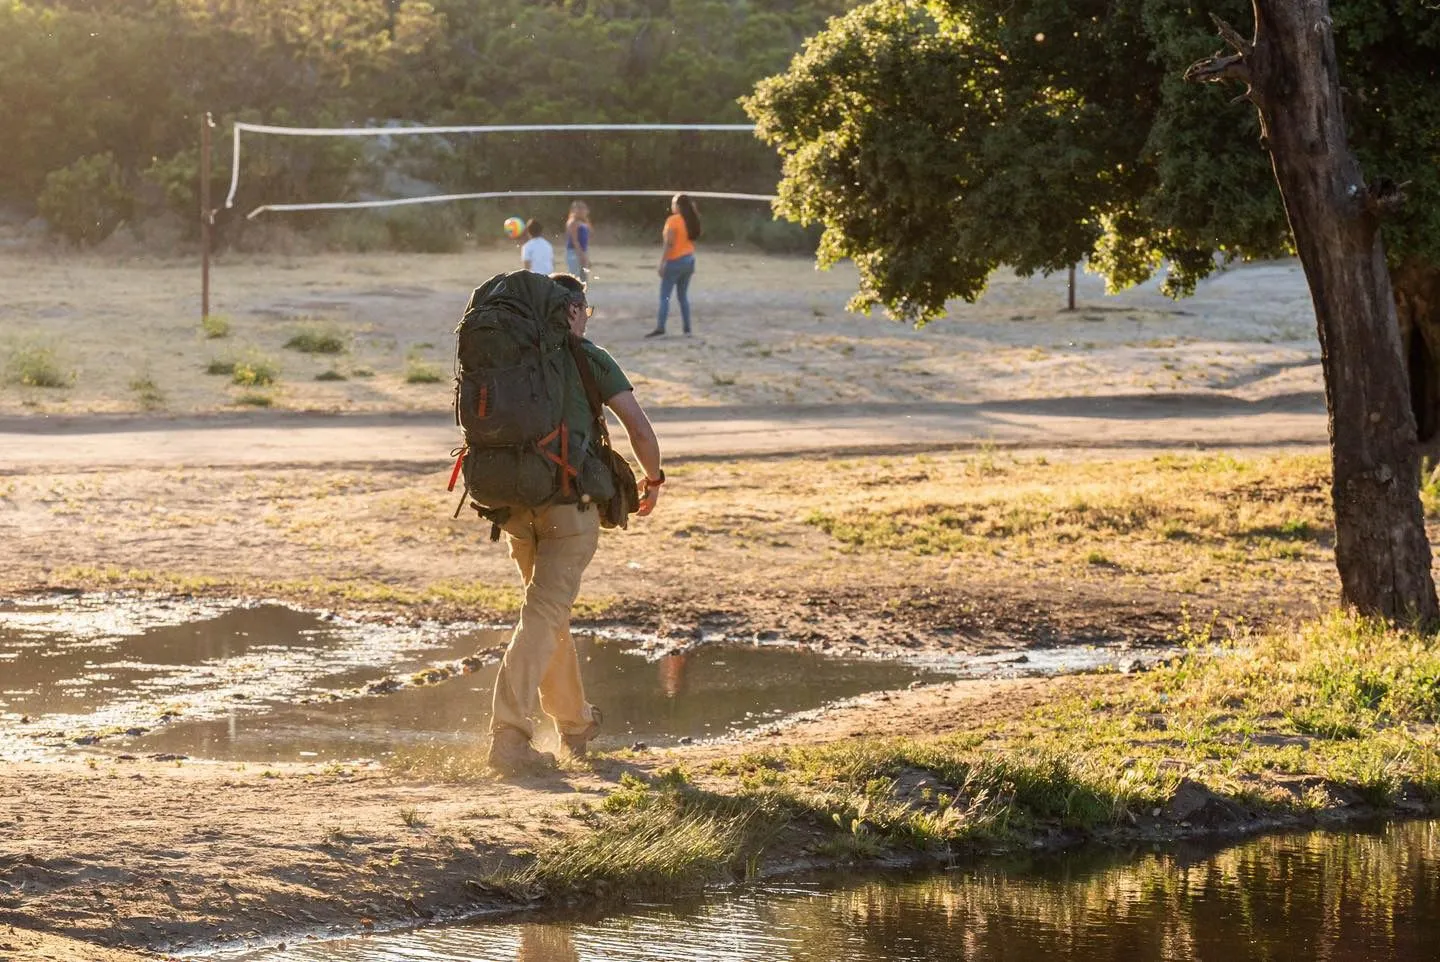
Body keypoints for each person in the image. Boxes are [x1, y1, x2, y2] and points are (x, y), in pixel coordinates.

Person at [487, 272, 666, 775]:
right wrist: (654, 480)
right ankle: (510, 733)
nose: (588, 317)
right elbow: (639, 428)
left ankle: (574, 725)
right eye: (585, 309)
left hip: (515, 507)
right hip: (570, 505)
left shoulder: (511, 361)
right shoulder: (590, 358)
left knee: (548, 613)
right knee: (545, 613)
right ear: (569, 310)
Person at [647, 193, 701, 338]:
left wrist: (663, 262)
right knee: (683, 297)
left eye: (673, 203)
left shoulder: (673, 220)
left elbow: (669, 244)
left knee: (665, 296)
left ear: (678, 205)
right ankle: (687, 329)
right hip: (689, 260)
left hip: (675, 261)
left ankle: (661, 327)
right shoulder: (690, 220)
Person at [564, 201, 592, 285]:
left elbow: (591, 232)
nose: (586, 212)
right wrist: (581, 255)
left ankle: (582, 296)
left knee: (583, 277)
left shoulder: (583, 222)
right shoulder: (572, 222)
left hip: (583, 251)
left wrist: (586, 220)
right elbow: (575, 240)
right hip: (574, 252)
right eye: (583, 210)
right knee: (574, 276)